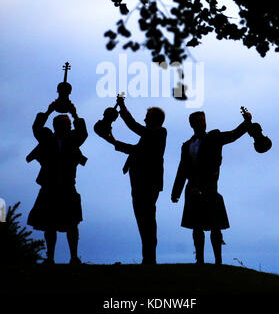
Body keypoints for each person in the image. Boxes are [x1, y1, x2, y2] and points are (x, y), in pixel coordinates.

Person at [171, 108, 252, 265]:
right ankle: (199, 260)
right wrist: (176, 192)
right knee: (197, 227)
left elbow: (233, 135)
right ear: (191, 124)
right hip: (192, 189)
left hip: (209, 187)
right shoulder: (187, 145)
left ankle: (218, 262)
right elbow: (182, 169)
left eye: (203, 120)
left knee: (215, 226)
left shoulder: (214, 138)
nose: (202, 123)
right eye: (198, 121)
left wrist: (247, 122)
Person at [96, 97, 167, 264]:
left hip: (148, 183)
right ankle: (148, 258)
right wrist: (113, 141)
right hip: (140, 182)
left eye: (147, 117)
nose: (144, 119)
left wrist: (122, 108)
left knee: (147, 220)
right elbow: (136, 150)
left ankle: (149, 258)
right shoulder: (152, 135)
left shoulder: (159, 132)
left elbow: (134, 128)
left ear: (154, 120)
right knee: (143, 220)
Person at [27, 101, 88, 264]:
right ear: (55, 126)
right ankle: (51, 257)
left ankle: (74, 257)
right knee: (49, 224)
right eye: (62, 124)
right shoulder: (47, 139)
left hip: (68, 186)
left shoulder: (73, 140)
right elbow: (37, 128)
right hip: (49, 187)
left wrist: (74, 114)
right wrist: (49, 111)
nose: (65, 127)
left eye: (66, 125)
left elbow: (83, 132)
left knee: (72, 223)